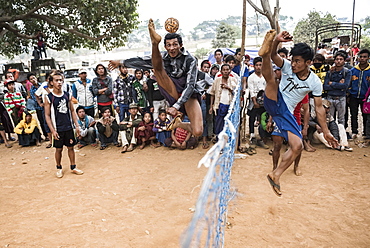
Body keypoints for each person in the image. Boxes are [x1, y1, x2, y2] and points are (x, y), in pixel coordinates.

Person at [259, 30, 338, 196]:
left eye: (297, 61)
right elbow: (275, 55)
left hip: (286, 113)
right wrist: (275, 42)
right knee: (272, 80)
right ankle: (263, 54)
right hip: (274, 99)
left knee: (297, 146)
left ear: (308, 62)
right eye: (292, 60)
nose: (293, 64)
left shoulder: (315, 82)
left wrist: (326, 131)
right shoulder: (287, 67)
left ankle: (275, 175)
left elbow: (318, 108)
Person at [108, 19, 203, 137]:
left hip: (187, 93)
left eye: (175, 44)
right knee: (157, 67)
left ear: (181, 45)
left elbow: (190, 85)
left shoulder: (191, 60)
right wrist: (121, 62)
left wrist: (176, 106)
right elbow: (142, 60)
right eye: (168, 45)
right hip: (169, 87)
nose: (172, 48)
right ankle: (154, 43)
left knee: (198, 131)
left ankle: (178, 124)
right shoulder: (162, 56)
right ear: (165, 46)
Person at [44, 71, 83, 178]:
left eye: (61, 80)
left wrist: (77, 125)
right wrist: (52, 130)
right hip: (58, 128)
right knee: (58, 149)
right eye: (56, 80)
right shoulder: (49, 97)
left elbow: (72, 111)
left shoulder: (67, 95)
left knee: (71, 147)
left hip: (68, 127)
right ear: (51, 82)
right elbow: (47, 116)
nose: (59, 82)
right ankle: (59, 167)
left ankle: (73, 166)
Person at [323, 51, 351, 126]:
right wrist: (339, 84)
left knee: (341, 119)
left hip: (341, 97)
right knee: (330, 118)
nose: (338, 61)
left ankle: (341, 134)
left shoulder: (347, 72)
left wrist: (332, 83)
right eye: (337, 59)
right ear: (334, 60)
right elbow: (325, 86)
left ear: (344, 61)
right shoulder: (330, 72)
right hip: (330, 97)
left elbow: (345, 86)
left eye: (341, 59)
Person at [209, 64, 237, 136]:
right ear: (221, 71)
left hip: (230, 106)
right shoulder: (217, 81)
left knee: (229, 124)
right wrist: (211, 106)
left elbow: (236, 94)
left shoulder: (233, 80)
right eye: (224, 70)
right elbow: (212, 93)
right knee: (219, 124)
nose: (225, 71)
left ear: (230, 71)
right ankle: (219, 140)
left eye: (227, 70)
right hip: (219, 105)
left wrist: (229, 88)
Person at [247, 57, 268, 149]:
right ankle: (252, 134)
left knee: (263, 117)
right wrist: (255, 102)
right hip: (254, 99)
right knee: (252, 116)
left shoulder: (266, 76)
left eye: (260, 65)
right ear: (254, 66)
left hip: (265, 100)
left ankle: (263, 137)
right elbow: (251, 90)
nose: (258, 67)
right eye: (257, 65)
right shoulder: (251, 77)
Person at [348, 49, 370, 138]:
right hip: (353, 96)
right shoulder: (353, 70)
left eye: (364, 57)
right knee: (353, 114)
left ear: (368, 58)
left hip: (366, 98)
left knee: (366, 115)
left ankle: (366, 133)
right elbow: (349, 83)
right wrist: (348, 94)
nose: (362, 59)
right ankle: (354, 132)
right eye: (361, 57)